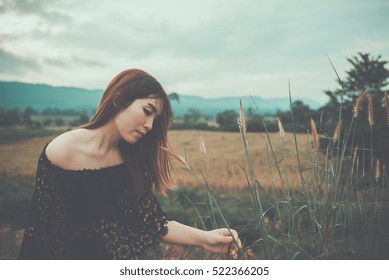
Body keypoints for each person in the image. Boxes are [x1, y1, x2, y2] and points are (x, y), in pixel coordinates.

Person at [18, 69, 242, 260]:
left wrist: (205, 238)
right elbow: (44, 236)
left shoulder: (131, 160)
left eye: (155, 119)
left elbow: (153, 222)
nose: (150, 125)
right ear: (118, 100)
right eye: (147, 112)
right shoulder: (62, 151)